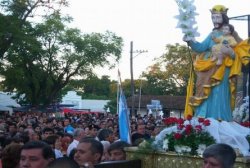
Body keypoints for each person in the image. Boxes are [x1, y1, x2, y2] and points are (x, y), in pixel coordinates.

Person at [185, 5, 244, 121]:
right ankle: (203, 117)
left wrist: (230, 52)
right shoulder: (213, 34)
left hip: (222, 68)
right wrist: (190, 41)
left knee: (218, 92)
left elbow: (239, 50)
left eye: (218, 17)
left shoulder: (232, 34)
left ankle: (219, 117)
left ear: (224, 18)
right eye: (213, 18)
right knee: (203, 90)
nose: (215, 21)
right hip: (209, 65)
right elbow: (201, 47)